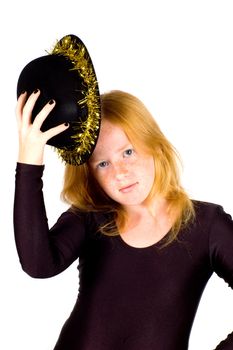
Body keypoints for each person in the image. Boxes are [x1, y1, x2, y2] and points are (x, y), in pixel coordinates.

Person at [14, 41, 233, 349]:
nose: (119, 172)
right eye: (103, 163)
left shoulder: (208, 225)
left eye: (128, 152)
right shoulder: (91, 218)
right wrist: (29, 161)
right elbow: (38, 264)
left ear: (154, 146)